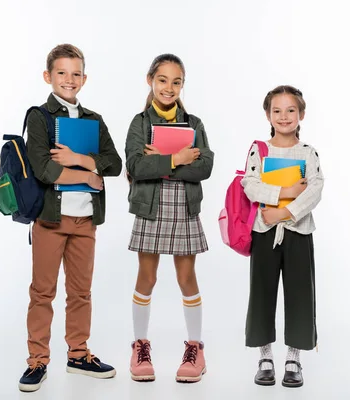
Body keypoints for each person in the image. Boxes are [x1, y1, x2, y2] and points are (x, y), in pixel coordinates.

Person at [18, 43, 122, 392]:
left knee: (81, 292)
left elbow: (115, 163)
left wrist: (79, 159)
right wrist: (90, 175)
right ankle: (37, 360)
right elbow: (45, 170)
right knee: (42, 292)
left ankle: (78, 354)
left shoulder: (94, 119)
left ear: (85, 78)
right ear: (48, 76)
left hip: (85, 220)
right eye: (61, 72)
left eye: (76, 73)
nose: (69, 79)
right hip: (50, 218)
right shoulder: (40, 116)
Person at [124, 53, 214, 383]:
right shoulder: (140, 123)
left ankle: (195, 347)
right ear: (151, 80)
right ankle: (140, 345)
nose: (169, 87)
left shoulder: (195, 124)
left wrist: (160, 162)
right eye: (163, 80)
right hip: (151, 208)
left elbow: (204, 167)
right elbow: (134, 166)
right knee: (146, 277)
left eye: (177, 81)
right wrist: (177, 158)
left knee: (186, 278)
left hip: (184, 209)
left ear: (182, 85)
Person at [241, 85, 324, 388]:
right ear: (268, 114)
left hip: (298, 232)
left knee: (300, 293)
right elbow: (250, 184)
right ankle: (264, 357)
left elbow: (314, 190)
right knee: (262, 291)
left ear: (301, 114)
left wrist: (283, 213)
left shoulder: (308, 152)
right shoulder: (259, 151)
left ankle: (294, 357)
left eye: (291, 110)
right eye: (277, 110)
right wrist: (285, 193)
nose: (284, 116)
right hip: (264, 232)